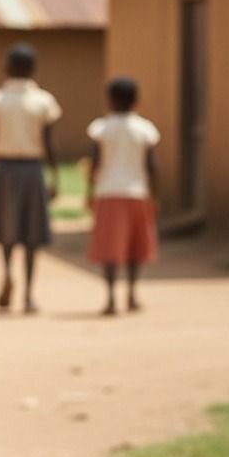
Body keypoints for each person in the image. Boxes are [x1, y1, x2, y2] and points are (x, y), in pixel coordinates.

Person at [0, 42, 61, 313]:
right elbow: (49, 144)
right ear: (33, 69)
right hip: (33, 169)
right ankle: (28, 294)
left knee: (7, 229)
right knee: (32, 234)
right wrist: (55, 177)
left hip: (5, 169)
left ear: (7, 68)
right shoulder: (43, 101)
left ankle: (6, 274)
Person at [86, 76, 160, 315]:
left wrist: (90, 191)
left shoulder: (101, 129)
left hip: (108, 193)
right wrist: (154, 194)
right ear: (136, 101)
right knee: (136, 247)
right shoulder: (145, 129)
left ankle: (110, 298)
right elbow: (152, 166)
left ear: (109, 101)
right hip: (137, 192)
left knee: (110, 249)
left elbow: (94, 164)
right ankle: (132, 292)